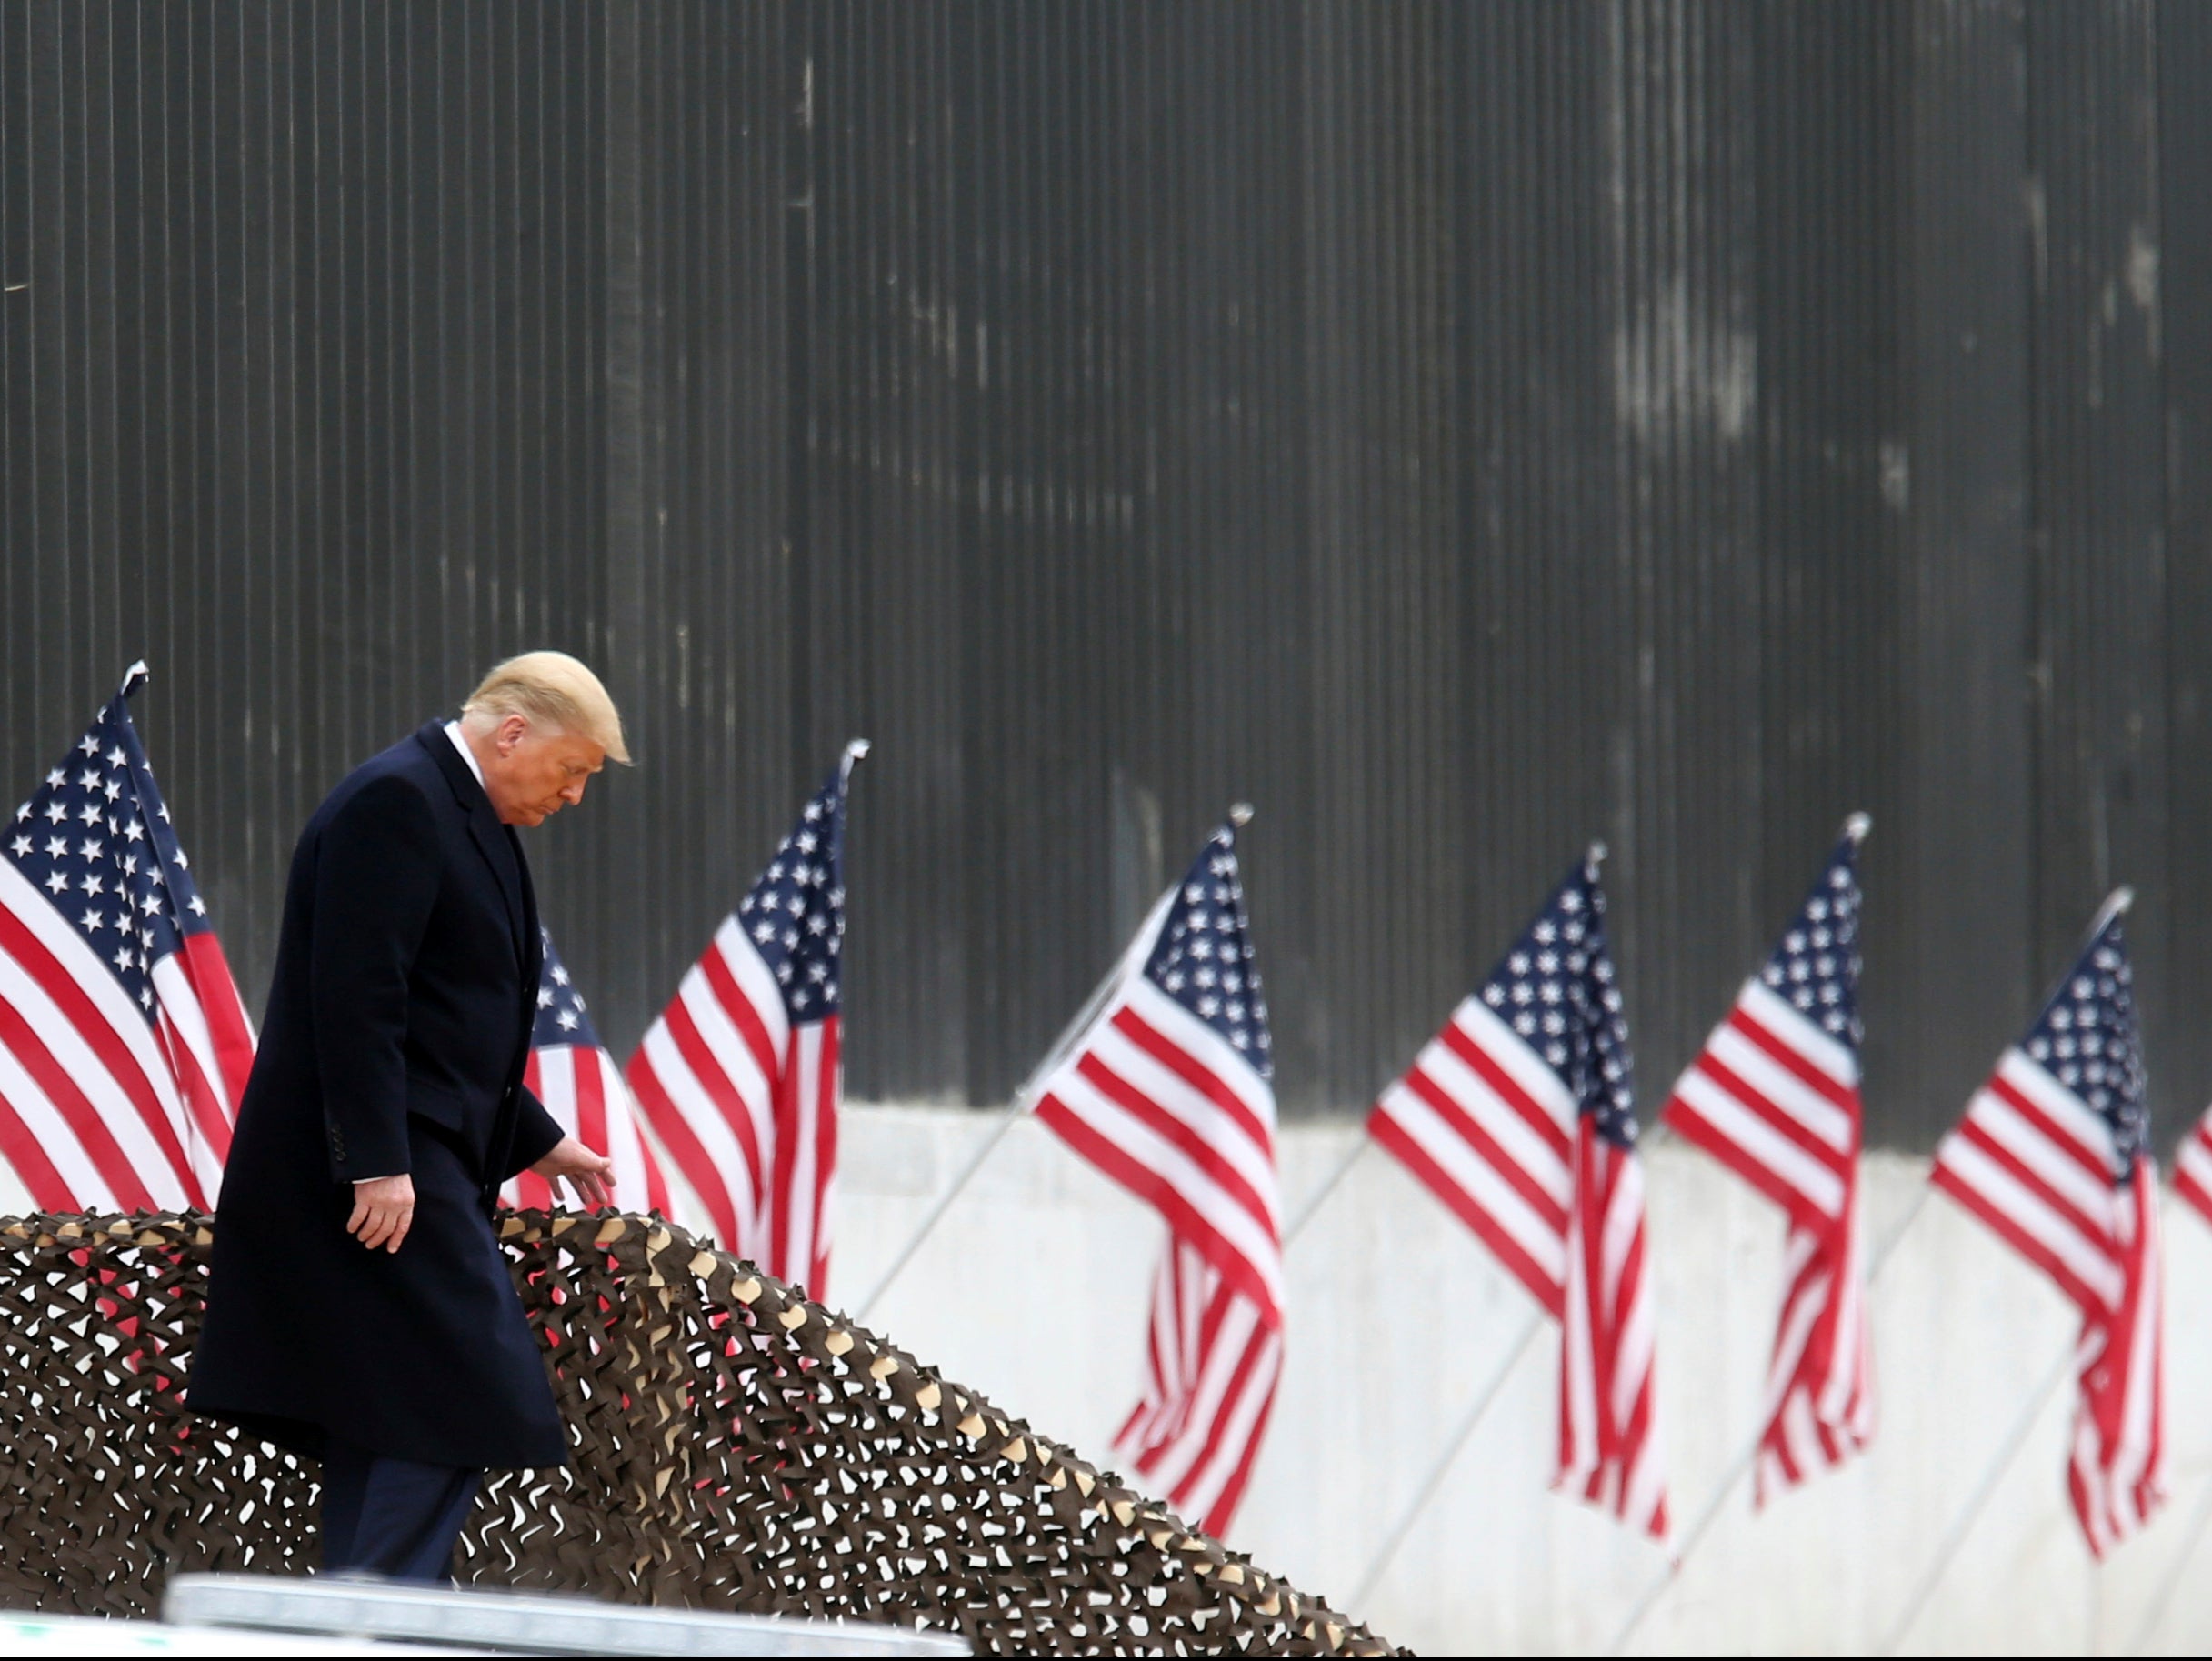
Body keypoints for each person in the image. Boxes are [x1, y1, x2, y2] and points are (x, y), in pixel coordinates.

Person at [191, 651, 628, 1583]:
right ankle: (372, 1621)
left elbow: (446, 1019)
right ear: (513, 733)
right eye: (575, 767)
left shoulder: (470, 812)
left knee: (394, 1412)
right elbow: (356, 997)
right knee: (460, 1389)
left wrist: (540, 1141)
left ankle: (355, 1619)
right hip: (374, 1177)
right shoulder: (397, 802)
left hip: (415, 1157)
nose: (576, 795)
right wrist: (375, 1162)